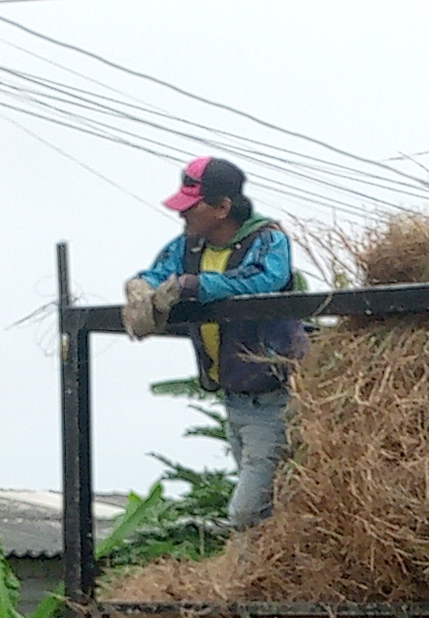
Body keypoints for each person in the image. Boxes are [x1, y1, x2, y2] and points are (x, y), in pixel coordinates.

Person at [125, 155, 307, 528]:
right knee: (263, 513)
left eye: (192, 206)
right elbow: (160, 272)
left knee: (247, 511)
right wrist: (141, 287)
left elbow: (263, 279)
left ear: (222, 207)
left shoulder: (267, 240)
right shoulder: (187, 247)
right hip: (234, 396)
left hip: (275, 395)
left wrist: (195, 286)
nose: (182, 214)